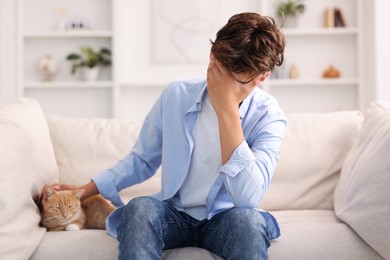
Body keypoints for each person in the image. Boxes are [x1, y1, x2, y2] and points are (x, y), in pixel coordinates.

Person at [54, 12, 287, 259]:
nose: (222, 84)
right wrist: (84, 190)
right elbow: (142, 160)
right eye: (220, 71)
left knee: (247, 222)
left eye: (236, 81)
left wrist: (226, 110)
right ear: (212, 55)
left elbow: (247, 198)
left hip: (227, 217)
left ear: (262, 77)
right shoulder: (176, 95)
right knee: (140, 208)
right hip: (175, 215)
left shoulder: (269, 116)